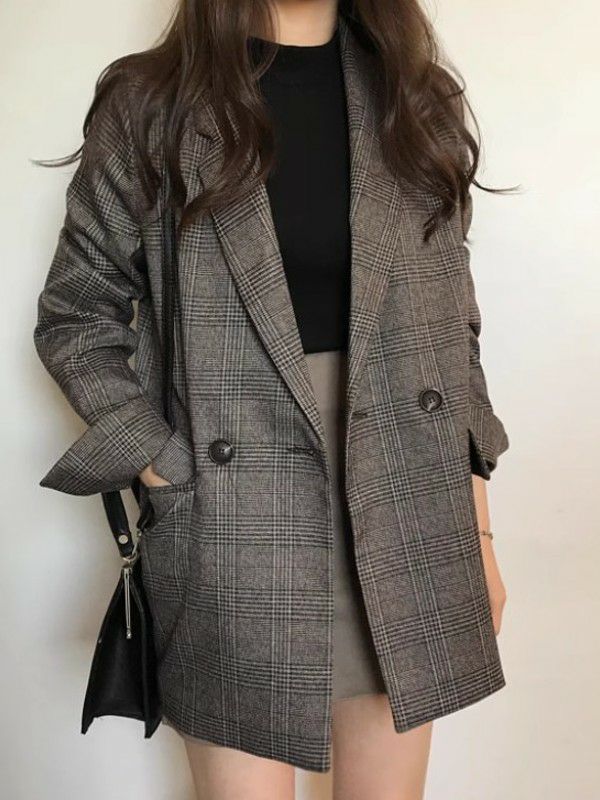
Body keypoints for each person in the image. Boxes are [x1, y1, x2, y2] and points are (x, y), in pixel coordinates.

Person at [33, 1, 511, 797]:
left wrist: (480, 535)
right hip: (234, 514)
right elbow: (76, 316)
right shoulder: (153, 105)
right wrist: (160, 461)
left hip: (407, 506)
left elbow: (453, 331)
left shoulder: (416, 97)